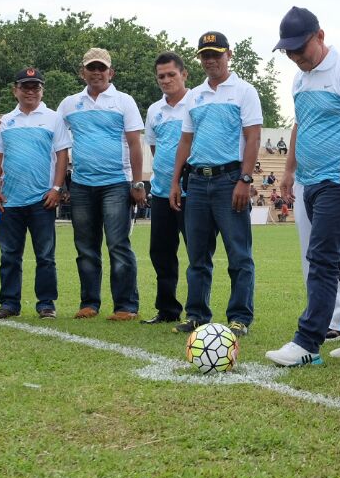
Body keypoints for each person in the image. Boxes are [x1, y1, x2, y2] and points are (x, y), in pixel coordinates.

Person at [266, 7, 340, 366]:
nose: (296, 58)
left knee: (321, 259)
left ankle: (308, 341)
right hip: (309, 181)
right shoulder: (299, 80)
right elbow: (299, 126)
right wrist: (289, 172)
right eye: (288, 52)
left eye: (300, 49)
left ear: (319, 36)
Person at [169, 31, 262, 337]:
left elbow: (253, 137)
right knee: (197, 255)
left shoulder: (244, 91)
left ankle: (239, 317)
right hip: (196, 182)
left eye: (216, 54)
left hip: (229, 180)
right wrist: (174, 182)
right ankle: (196, 314)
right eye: (205, 55)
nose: (210, 60)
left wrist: (244, 179)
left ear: (229, 55)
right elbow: (186, 141)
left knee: (238, 254)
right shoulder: (194, 96)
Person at [62, 47, 146, 321]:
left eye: (101, 68)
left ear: (111, 72)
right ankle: (89, 303)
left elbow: (135, 143)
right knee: (85, 246)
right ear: (82, 72)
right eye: (91, 68)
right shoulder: (69, 104)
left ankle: (126, 306)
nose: (96, 73)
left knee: (118, 244)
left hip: (116, 183)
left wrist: (137, 182)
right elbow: (57, 140)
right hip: (82, 184)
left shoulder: (124, 101)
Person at [0, 68, 71, 320]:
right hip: (10, 199)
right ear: (16, 90)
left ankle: (46, 304)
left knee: (45, 256)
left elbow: (62, 155)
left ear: (42, 91)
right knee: (9, 255)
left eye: (35, 87)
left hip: (41, 200)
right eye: (25, 87)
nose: (30, 91)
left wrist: (56, 188)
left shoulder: (54, 118)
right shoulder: (6, 121)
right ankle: (9, 304)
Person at [142, 52, 191, 325]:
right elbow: (154, 147)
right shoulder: (154, 110)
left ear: (184, 74)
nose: (166, 80)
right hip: (160, 191)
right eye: (161, 76)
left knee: (196, 253)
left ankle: (196, 311)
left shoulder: (196, 103)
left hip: (189, 192)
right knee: (161, 252)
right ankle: (167, 309)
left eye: (171, 74)